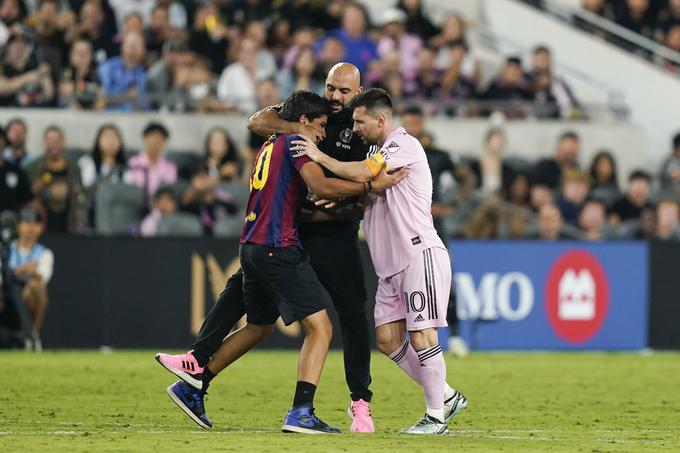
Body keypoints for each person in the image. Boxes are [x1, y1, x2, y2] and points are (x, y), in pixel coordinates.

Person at [155, 63, 389, 434]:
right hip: (283, 239)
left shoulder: (359, 127)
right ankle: (298, 410)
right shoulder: (301, 129)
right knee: (316, 326)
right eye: (331, 89)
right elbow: (262, 124)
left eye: (344, 92)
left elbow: (347, 185)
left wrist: (350, 201)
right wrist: (362, 186)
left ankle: (359, 401)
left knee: (271, 320)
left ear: (359, 90)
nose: (335, 99)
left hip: (307, 234)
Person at [291, 88, 467, 434]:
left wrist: (319, 157)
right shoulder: (381, 153)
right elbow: (367, 191)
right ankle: (445, 395)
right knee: (387, 339)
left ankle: (435, 417)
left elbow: (361, 173)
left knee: (422, 334)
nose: (354, 127)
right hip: (390, 266)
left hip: (419, 253)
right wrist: (341, 203)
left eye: (359, 121)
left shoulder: (403, 145)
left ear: (380, 119)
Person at [8, 207, 54, 351]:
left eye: (35, 223)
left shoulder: (44, 253)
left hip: (27, 300)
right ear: (19, 226)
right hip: (6, 297)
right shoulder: (5, 250)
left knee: (36, 288)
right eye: (27, 222)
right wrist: (23, 270)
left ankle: (31, 335)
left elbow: (41, 278)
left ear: (41, 228)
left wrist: (16, 273)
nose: (31, 228)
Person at [29, 126, 84, 234]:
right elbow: (26, 195)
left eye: (58, 140)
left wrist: (69, 193)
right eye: (50, 140)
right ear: (44, 143)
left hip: (69, 223)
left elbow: (81, 195)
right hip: (41, 225)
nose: (54, 144)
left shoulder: (74, 168)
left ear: (64, 142)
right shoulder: (33, 167)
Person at [126, 122, 177, 201]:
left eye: (160, 138)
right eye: (152, 137)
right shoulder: (133, 162)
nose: (155, 142)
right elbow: (128, 187)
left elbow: (169, 191)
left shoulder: (170, 166)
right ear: (145, 139)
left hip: (159, 206)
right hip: (135, 203)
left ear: (164, 143)